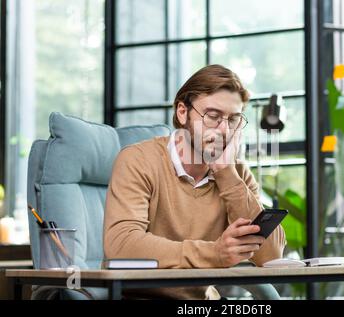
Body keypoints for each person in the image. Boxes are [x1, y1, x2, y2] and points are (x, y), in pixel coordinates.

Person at [103, 64, 286, 299]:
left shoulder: (236, 172)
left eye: (233, 120)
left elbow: (270, 257)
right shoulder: (138, 160)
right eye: (213, 116)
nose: (223, 130)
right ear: (182, 112)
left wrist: (227, 175)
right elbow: (121, 246)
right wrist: (215, 253)